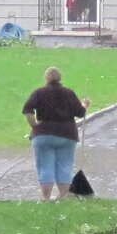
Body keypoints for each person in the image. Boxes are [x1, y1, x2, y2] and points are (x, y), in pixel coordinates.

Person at [22, 66, 91, 201]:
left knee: (45, 166)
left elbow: (28, 110)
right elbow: (80, 113)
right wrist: (85, 105)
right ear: (60, 78)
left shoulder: (38, 93)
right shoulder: (69, 93)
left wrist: (34, 125)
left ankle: (46, 198)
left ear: (46, 78)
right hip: (67, 135)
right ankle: (62, 197)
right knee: (65, 166)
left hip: (44, 134)